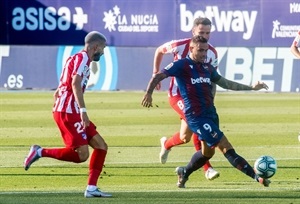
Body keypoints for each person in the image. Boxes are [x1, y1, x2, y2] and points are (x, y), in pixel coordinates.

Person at [142, 35, 271, 188]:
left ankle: (184, 172)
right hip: (196, 117)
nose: (204, 54)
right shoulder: (181, 65)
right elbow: (159, 76)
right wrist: (149, 93)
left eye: (205, 50)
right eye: (200, 50)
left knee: (208, 153)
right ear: (191, 49)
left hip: (211, 114)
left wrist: (251, 87)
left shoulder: (207, 67)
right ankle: (256, 177)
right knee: (225, 146)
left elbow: (225, 83)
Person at [23, 31, 112, 198]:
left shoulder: (75, 58)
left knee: (101, 146)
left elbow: (66, 80)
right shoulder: (84, 58)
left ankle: (91, 189)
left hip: (70, 110)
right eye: (103, 48)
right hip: (69, 112)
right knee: (82, 155)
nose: (103, 52)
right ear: (96, 47)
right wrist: (83, 111)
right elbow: (75, 82)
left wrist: (58, 90)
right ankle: (39, 151)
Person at [152, 17, 219, 180]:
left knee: (184, 137)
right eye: (201, 32)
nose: (205, 35)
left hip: (198, 97)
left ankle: (166, 144)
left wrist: (210, 100)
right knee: (197, 121)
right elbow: (159, 50)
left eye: (208, 32)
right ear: (193, 31)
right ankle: (207, 168)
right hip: (177, 94)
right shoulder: (180, 45)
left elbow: (212, 79)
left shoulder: (212, 53)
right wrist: (155, 73)